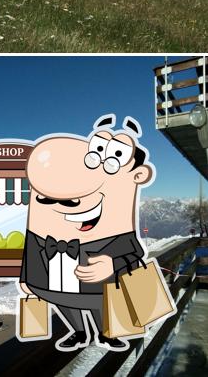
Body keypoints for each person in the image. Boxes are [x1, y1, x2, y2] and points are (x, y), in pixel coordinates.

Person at [19, 114, 160, 352]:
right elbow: (31, 250)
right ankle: (79, 331)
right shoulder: (40, 233)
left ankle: (105, 333)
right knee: (66, 305)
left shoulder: (117, 234)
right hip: (54, 286)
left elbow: (133, 253)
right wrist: (25, 278)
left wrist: (112, 265)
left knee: (99, 305)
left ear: (137, 175)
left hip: (97, 289)